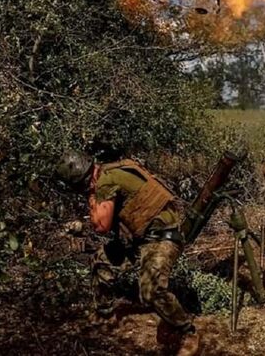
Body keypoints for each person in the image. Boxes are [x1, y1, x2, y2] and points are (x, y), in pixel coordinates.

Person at [55, 150, 199, 356]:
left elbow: (101, 226)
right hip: (141, 238)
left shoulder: (104, 182)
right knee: (100, 262)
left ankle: (187, 330)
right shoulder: (110, 171)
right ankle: (104, 314)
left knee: (151, 291)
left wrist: (92, 196)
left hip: (162, 239)